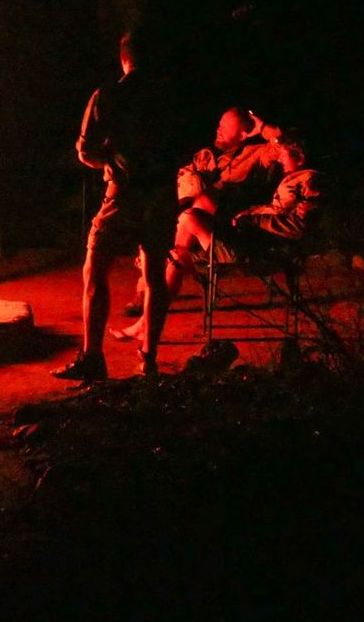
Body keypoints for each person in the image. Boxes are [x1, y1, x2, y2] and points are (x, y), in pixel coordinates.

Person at [117, 139, 318, 373]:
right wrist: (252, 211)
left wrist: (253, 219)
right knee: (184, 240)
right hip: (251, 238)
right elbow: (279, 212)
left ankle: (148, 316)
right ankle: (147, 320)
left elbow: (299, 226)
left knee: (188, 222)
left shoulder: (309, 181)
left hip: (261, 249)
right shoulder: (290, 178)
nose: (280, 159)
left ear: (300, 159)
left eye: (285, 155)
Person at [54, 32, 168, 382]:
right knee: (155, 274)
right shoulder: (170, 99)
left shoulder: (110, 95)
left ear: (124, 58)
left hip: (125, 192)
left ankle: (93, 357)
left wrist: (111, 160)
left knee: (95, 269)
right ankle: (148, 360)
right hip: (163, 192)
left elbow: (86, 150)